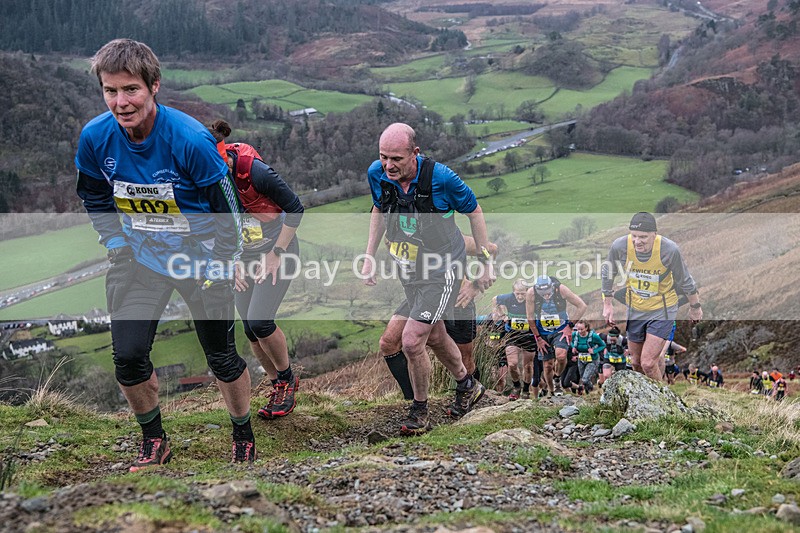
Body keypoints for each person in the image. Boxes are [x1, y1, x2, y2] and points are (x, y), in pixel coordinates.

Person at [75, 39, 255, 469]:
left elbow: (229, 212)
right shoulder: (95, 137)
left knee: (221, 357)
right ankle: (154, 439)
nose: (121, 102)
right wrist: (116, 245)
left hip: (201, 260)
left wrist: (222, 263)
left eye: (131, 90)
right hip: (141, 260)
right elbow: (94, 197)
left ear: (154, 86)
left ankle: (243, 435)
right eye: (110, 91)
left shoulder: (190, 139)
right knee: (128, 358)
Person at [361, 122, 494, 434]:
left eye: (396, 158)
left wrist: (486, 263)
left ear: (415, 153)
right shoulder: (377, 173)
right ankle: (467, 385)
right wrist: (369, 254)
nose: (388, 165)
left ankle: (419, 411)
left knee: (411, 340)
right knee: (433, 335)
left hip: (444, 269)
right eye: (383, 157)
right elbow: (379, 209)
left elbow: (474, 212)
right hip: (410, 270)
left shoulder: (441, 178)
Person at [208, 120, 304, 420]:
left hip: (278, 249)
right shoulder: (204, 178)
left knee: (261, 321)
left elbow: (296, 208)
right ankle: (277, 385)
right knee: (249, 329)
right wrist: (231, 261)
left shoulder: (255, 171)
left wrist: (276, 254)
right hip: (243, 256)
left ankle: (288, 380)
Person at [379, 237, 498, 401]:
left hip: (456, 300)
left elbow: (491, 249)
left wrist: (474, 286)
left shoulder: (448, 234)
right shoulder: (396, 234)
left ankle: (471, 398)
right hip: (422, 297)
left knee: (465, 359)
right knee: (389, 343)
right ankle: (411, 400)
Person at [601, 212, 702, 381]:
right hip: (635, 308)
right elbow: (607, 273)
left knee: (648, 363)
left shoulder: (669, 250)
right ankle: (644, 395)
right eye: (634, 236)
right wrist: (607, 304)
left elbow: (685, 280)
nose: (637, 241)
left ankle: (661, 397)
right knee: (636, 363)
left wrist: (695, 307)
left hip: (662, 309)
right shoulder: (620, 246)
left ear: (654, 234)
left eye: (643, 237)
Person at [526, 275, 587, 397]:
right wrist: (538, 338)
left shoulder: (561, 289)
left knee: (561, 355)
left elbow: (582, 306)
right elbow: (530, 317)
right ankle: (551, 390)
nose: (546, 296)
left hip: (561, 329)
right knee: (547, 365)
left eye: (548, 292)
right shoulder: (531, 293)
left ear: (552, 287)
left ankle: (557, 378)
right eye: (543, 294)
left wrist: (570, 326)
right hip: (542, 332)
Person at [493, 280, 538, 400]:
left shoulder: (533, 300)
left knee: (528, 366)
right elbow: (495, 299)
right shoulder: (508, 298)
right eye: (517, 293)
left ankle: (526, 390)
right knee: (512, 364)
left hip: (529, 335)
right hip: (513, 335)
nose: (520, 297)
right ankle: (517, 386)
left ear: (527, 292)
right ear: (513, 292)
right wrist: (502, 314)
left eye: (523, 294)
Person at [570, 319, 606, 393]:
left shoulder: (593, 336)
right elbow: (571, 341)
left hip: (592, 360)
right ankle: (588, 392)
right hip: (581, 359)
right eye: (578, 329)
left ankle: (591, 388)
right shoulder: (575, 335)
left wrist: (594, 351)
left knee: (585, 379)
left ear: (586, 328)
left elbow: (603, 345)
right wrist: (573, 347)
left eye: (582, 329)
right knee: (583, 378)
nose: (580, 331)